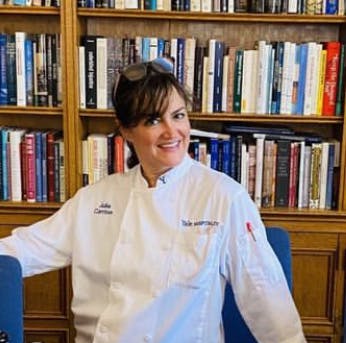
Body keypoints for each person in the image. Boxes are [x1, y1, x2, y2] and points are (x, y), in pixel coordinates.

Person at [0, 57, 306, 343]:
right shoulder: (95, 200)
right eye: (153, 120)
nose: (172, 131)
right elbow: (23, 250)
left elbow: (267, 299)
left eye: (178, 115)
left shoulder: (224, 197)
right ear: (126, 130)